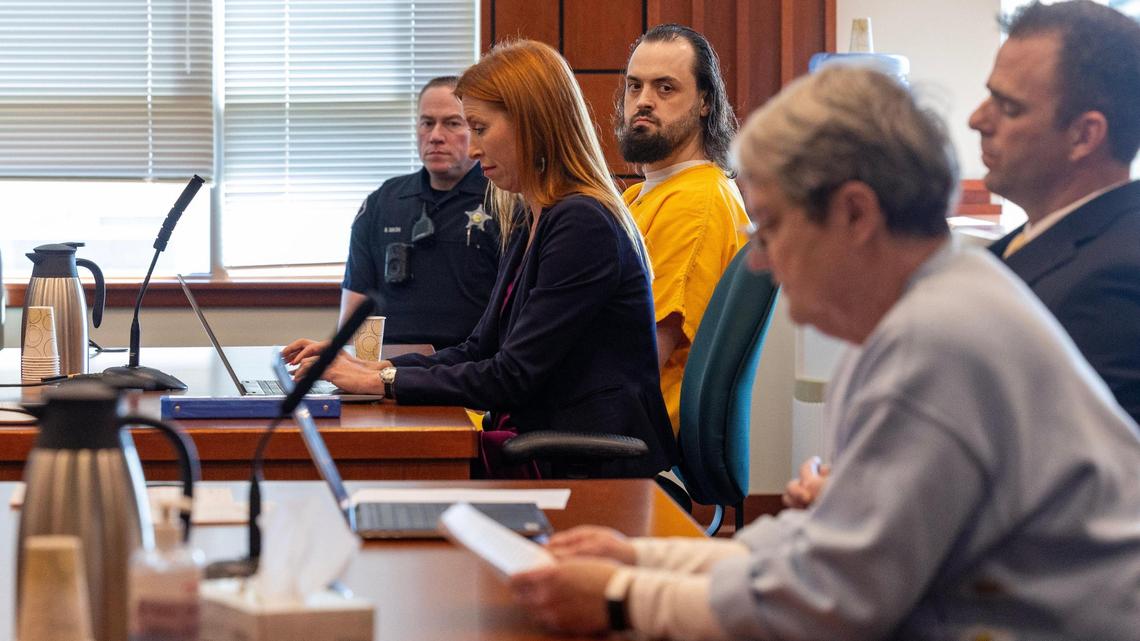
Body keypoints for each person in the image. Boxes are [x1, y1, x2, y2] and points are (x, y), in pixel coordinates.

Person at [507, 66, 1140, 640]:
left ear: (855, 214)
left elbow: (832, 602)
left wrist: (621, 598)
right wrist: (645, 557)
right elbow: (827, 545)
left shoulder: (936, 342)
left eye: (772, 228)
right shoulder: (930, 307)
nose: (760, 261)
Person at [285, 40, 678, 479]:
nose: (473, 150)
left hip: (588, 467)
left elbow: (512, 376)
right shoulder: (535, 216)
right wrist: (377, 367)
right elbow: (480, 348)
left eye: (480, 128)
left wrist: (381, 382)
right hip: (545, 447)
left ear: (530, 125)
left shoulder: (582, 224)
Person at [972, 0, 1140, 423]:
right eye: (988, 96)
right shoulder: (1025, 243)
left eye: (1008, 107)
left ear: (1084, 136)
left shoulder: (1116, 279)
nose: (977, 120)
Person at [617, 24, 750, 433]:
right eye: (635, 86)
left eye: (665, 88)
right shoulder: (640, 195)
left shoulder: (696, 202)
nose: (643, 101)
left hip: (630, 435)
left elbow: (637, 361)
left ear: (705, 101)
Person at [340, 76, 499, 349]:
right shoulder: (382, 202)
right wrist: (351, 365)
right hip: (386, 363)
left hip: (469, 364)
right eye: (427, 123)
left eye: (452, 123)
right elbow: (353, 314)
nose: (436, 136)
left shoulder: (501, 201)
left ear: (475, 130)